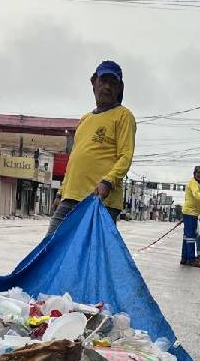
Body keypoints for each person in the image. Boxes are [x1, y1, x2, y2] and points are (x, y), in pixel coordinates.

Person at [47, 60, 136, 235]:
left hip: (100, 200)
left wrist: (108, 181)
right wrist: (60, 194)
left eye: (113, 83)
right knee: (50, 250)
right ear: (94, 83)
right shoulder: (85, 119)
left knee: (91, 257)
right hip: (69, 198)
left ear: (120, 88)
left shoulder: (123, 116)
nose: (108, 87)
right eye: (103, 81)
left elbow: (125, 156)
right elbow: (74, 161)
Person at [180, 166, 200, 267]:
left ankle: (184, 258)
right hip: (190, 213)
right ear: (194, 173)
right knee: (190, 237)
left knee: (187, 236)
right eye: (199, 172)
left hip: (191, 213)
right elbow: (196, 194)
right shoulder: (193, 182)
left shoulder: (197, 183)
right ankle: (191, 259)